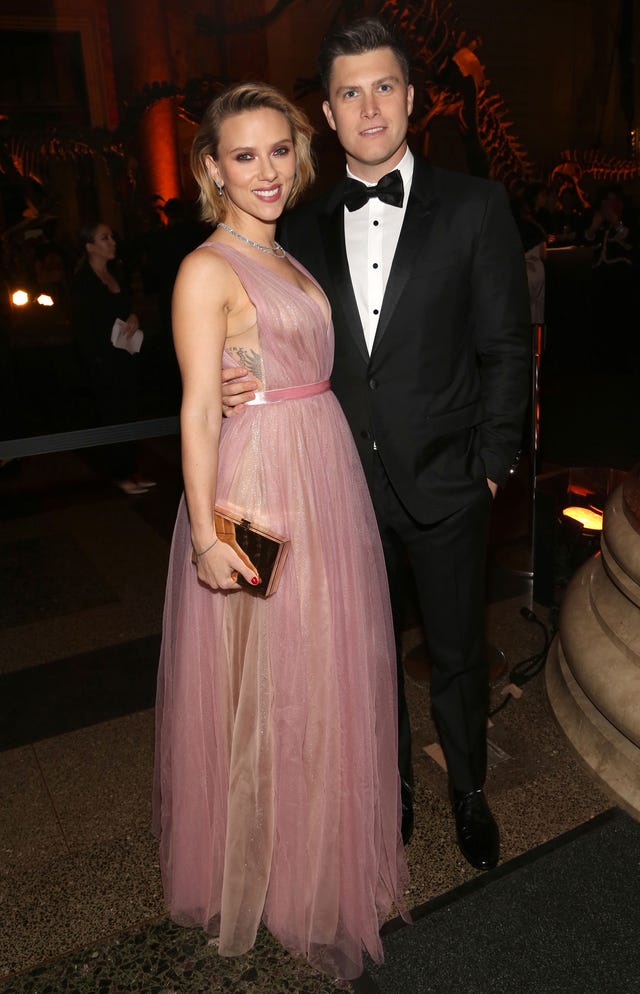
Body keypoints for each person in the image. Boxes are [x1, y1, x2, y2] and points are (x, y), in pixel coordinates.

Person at [222, 18, 531, 872]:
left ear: (411, 98)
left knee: (458, 656)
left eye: (384, 87)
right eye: (350, 92)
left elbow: (507, 348)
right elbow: (264, 331)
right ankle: (388, 788)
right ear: (326, 112)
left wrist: (494, 468)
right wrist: (233, 378)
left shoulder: (475, 207)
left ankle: (468, 790)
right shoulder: (299, 227)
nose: (369, 107)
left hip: (450, 484)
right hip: (340, 488)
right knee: (365, 658)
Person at [152, 82, 408, 981]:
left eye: (278, 149)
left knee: (321, 673)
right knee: (271, 689)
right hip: (261, 490)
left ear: (298, 155)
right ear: (212, 168)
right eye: (244, 154)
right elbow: (197, 408)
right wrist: (205, 537)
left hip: (321, 475)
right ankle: (280, 874)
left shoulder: (286, 252)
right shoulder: (206, 268)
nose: (265, 170)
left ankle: (317, 857)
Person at [71, 222, 156, 495]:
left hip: (125, 355)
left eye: (112, 236)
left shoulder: (117, 272)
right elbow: (84, 326)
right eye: (104, 238)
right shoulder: (83, 281)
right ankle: (119, 474)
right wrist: (96, 361)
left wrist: (134, 317)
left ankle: (131, 470)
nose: (112, 242)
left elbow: (127, 308)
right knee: (112, 415)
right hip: (103, 361)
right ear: (89, 246)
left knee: (129, 413)